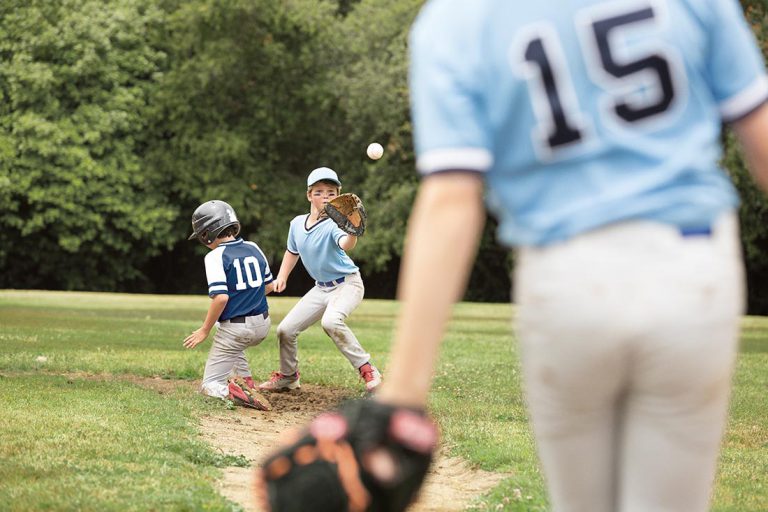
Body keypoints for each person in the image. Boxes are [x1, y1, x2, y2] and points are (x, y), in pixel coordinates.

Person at [369, 0, 768, 511]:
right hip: (692, 267)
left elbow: (452, 200)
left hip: (566, 277)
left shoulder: (455, 18)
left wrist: (403, 396)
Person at [258, 167, 382, 393]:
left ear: (339, 197)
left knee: (331, 321)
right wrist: (282, 276)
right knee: (285, 330)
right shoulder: (296, 223)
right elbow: (291, 251)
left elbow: (345, 243)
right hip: (320, 289)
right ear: (308, 195)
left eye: (331, 192)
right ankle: (288, 376)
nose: (325, 196)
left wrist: (352, 231)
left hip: (347, 284)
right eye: (319, 191)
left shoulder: (335, 224)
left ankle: (368, 370)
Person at [184, 200, 274, 410]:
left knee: (209, 385)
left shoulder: (215, 256)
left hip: (237, 330)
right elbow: (268, 286)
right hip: (263, 325)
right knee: (225, 329)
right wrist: (247, 301)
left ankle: (234, 391)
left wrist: (203, 330)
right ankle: (246, 381)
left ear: (206, 233)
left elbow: (221, 298)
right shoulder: (253, 247)